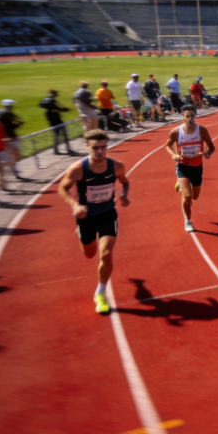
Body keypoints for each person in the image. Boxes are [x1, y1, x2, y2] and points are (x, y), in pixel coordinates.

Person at [57, 129, 130, 315]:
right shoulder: (78, 169)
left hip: (107, 213)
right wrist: (75, 205)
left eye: (103, 147)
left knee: (105, 254)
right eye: (95, 148)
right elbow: (63, 188)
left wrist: (123, 194)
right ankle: (81, 233)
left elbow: (125, 182)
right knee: (89, 254)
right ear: (87, 148)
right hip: (86, 216)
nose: (99, 151)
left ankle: (101, 293)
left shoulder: (117, 166)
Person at [164, 105, 215, 232]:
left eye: (192, 116)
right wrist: (174, 155)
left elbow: (212, 147)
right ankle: (188, 221)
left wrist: (207, 154)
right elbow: (167, 146)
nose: (190, 118)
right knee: (187, 196)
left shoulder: (202, 130)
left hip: (197, 167)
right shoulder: (176, 132)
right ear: (183, 117)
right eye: (187, 116)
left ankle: (182, 185)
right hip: (183, 166)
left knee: (194, 197)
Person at [0, 99, 25, 180]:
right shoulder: (8, 114)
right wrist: (19, 124)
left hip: (3, 138)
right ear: (9, 106)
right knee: (15, 155)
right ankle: (12, 170)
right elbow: (11, 126)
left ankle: (12, 170)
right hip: (11, 138)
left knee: (9, 156)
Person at [39, 89, 74, 154]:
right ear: (54, 94)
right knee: (64, 134)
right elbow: (57, 108)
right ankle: (68, 149)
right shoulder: (52, 101)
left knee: (56, 135)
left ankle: (56, 150)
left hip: (52, 121)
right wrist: (66, 109)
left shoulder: (46, 100)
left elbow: (55, 108)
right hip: (57, 120)